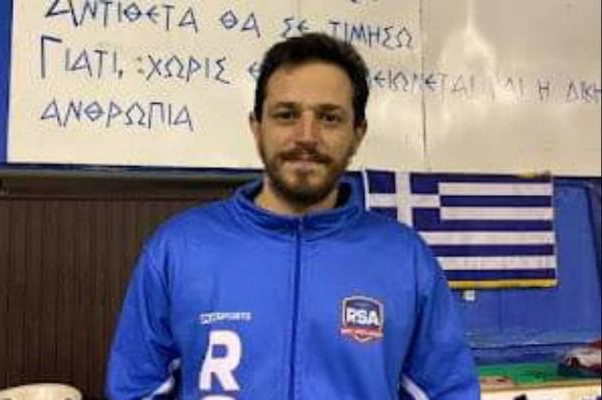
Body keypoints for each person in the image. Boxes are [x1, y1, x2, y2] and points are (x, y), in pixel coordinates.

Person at [106, 33, 480, 399]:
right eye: (286, 115)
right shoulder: (179, 249)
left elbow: (448, 391)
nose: (306, 136)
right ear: (257, 127)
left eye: (329, 118)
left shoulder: (405, 258)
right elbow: (135, 390)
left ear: (357, 133)